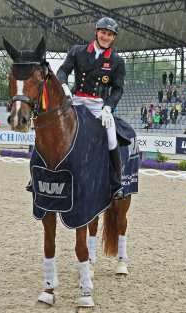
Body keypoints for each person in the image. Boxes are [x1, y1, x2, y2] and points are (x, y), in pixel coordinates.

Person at [56, 16, 126, 202]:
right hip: (76, 99)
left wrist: (108, 107)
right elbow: (62, 71)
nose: (105, 36)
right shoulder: (77, 51)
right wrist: (64, 89)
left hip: (98, 105)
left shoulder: (117, 61)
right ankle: (42, 174)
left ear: (113, 38)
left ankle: (116, 183)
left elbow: (118, 89)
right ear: (96, 32)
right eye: (103, 32)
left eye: (109, 34)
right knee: (54, 128)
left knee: (111, 135)